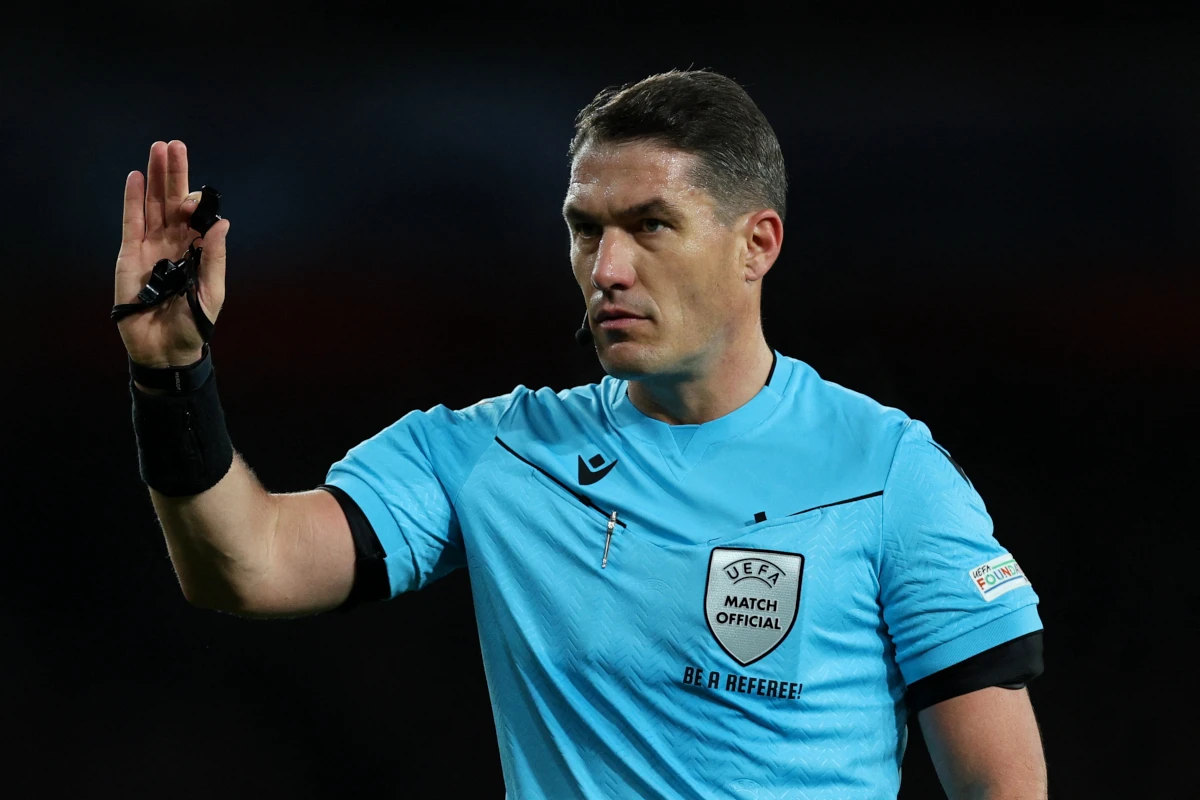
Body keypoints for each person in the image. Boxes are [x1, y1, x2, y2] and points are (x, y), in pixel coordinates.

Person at [114, 69, 1047, 799]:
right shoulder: (494, 454)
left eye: (650, 226)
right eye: (584, 229)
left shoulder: (887, 472)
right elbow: (246, 563)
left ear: (755, 243)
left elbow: (1001, 781)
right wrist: (170, 370)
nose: (606, 268)